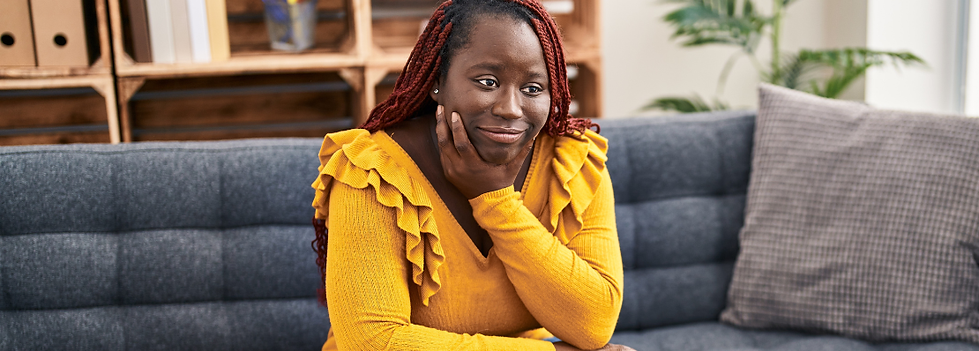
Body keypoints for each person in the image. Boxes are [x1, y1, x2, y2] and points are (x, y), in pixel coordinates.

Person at [310, 1, 631, 350]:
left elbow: (594, 325)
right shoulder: (372, 171)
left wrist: (495, 200)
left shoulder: (573, 164)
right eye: (488, 82)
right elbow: (372, 342)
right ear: (437, 80)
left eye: (533, 89)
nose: (510, 108)